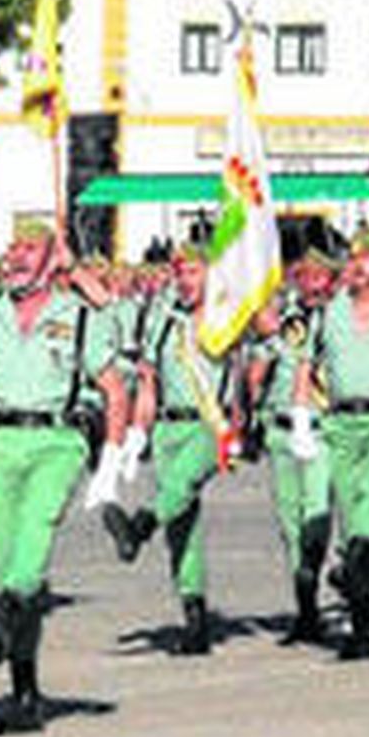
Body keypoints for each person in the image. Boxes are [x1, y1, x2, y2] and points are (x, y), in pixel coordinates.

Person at [0, 220, 129, 733]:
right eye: (11, 249)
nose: (15, 258)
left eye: (28, 249)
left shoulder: (79, 316)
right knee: (15, 569)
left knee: (35, 531)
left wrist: (112, 464)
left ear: (51, 259)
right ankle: (24, 689)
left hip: (58, 440)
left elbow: (115, 390)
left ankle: (4, 613)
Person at [291, 227, 369, 660]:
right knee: (349, 519)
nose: (356, 267)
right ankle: (361, 628)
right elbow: (306, 365)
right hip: (342, 423)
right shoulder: (331, 313)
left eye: (365, 259)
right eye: (352, 258)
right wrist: (302, 419)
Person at [113, 246, 234, 655]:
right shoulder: (164, 322)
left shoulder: (228, 316)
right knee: (182, 526)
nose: (185, 280)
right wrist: (137, 435)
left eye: (194, 272)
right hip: (169, 426)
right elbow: (149, 384)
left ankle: (140, 526)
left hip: (211, 425)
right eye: (180, 273)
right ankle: (195, 619)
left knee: (179, 486)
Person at [247, 249, 336, 644]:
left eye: (320, 277)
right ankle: (307, 607)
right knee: (289, 523)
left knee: (315, 515)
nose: (312, 283)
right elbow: (258, 369)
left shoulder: (343, 319)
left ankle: (312, 580)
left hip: (323, 430)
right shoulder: (287, 322)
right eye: (305, 276)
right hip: (280, 430)